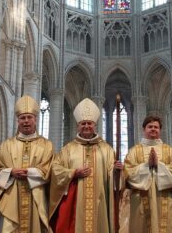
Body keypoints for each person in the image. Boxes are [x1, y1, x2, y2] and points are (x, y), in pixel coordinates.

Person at [49, 98, 121, 233]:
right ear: (78, 126)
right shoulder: (68, 149)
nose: (86, 126)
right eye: (83, 123)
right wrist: (73, 173)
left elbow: (113, 179)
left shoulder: (106, 149)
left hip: (100, 203)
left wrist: (117, 172)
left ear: (95, 125)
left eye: (89, 123)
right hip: (75, 204)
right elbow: (55, 169)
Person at [0, 95, 53, 232]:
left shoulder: (46, 145)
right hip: (11, 197)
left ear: (35, 120)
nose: (26, 121)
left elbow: (49, 169)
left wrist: (30, 173)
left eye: (29, 117)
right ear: (18, 121)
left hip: (36, 197)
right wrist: (11, 172)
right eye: (22, 118)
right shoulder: (6, 145)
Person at [124, 115, 172, 232]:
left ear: (160, 130)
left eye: (156, 127)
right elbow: (128, 174)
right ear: (144, 129)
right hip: (141, 199)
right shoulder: (134, 151)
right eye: (149, 126)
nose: (153, 129)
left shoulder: (169, 150)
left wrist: (158, 165)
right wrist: (147, 166)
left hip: (164, 197)